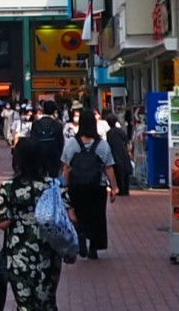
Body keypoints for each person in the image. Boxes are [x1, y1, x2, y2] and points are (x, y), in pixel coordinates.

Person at [0, 136, 74, 311]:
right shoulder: (54, 186)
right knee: (47, 301)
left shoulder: (8, 187)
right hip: (49, 251)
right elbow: (72, 218)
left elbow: (4, 223)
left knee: (25, 302)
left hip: (19, 252)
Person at [61, 109, 116, 259]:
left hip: (76, 185)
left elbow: (66, 166)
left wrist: (64, 185)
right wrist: (114, 187)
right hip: (97, 186)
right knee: (97, 215)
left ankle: (81, 235)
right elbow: (109, 167)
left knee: (78, 213)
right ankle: (94, 246)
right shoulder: (102, 145)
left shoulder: (72, 143)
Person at [31, 100, 66, 176]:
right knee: (53, 177)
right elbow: (61, 143)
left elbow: (32, 140)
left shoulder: (36, 123)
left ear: (43, 110)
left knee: (40, 176)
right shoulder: (58, 124)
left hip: (39, 154)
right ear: (54, 111)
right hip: (54, 155)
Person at [104, 113, 133, 197]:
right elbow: (127, 140)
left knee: (118, 173)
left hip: (115, 154)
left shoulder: (109, 133)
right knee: (125, 173)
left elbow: (109, 144)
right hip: (124, 153)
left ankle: (121, 190)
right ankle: (126, 190)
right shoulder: (120, 130)